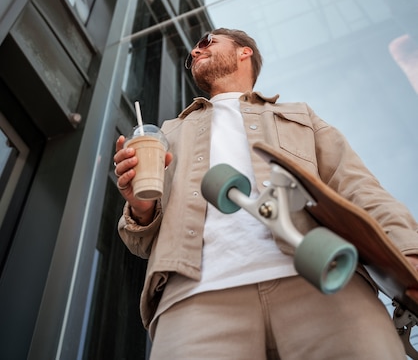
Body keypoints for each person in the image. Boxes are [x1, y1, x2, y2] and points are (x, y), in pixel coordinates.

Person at [115, 28, 418, 360]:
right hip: (194, 300)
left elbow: (359, 188)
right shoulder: (168, 133)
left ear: (244, 52)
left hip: (327, 280)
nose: (195, 53)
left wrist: (410, 255)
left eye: (206, 42)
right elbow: (140, 241)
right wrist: (140, 207)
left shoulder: (300, 116)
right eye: (191, 54)